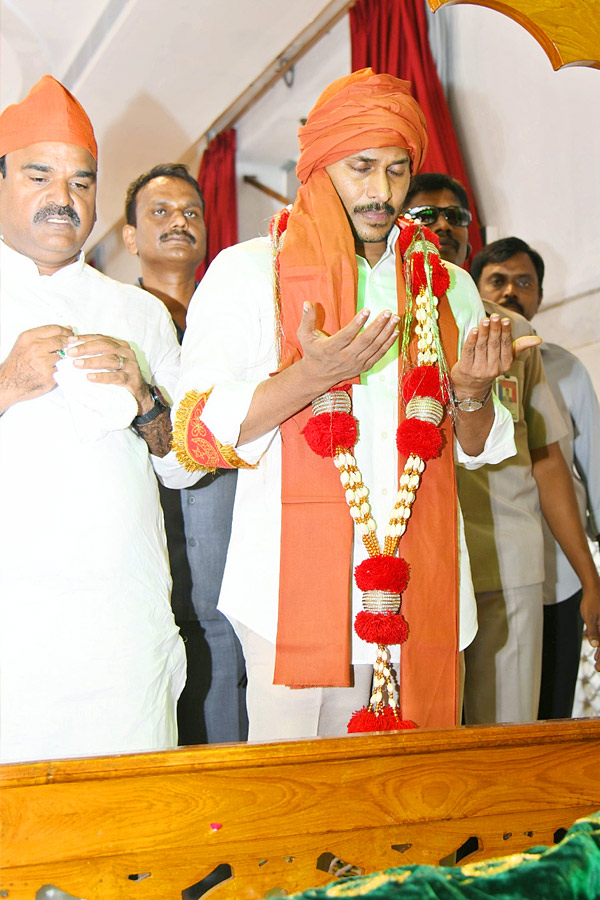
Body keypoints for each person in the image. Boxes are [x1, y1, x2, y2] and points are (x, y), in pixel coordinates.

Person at [161, 68, 534, 741]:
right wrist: (311, 376)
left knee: (413, 802)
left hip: (424, 590)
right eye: (361, 167)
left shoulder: (446, 286)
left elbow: (479, 446)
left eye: (397, 170)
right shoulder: (248, 272)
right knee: (301, 812)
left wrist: (473, 396)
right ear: (319, 165)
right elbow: (197, 434)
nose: (382, 192)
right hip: (290, 602)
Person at [0, 75, 186, 763]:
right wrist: (5, 384)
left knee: (133, 822)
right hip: (10, 630)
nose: (63, 198)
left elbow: (183, 465)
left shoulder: (138, 312)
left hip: (120, 628)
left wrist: (146, 400)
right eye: (39, 175)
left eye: (82, 182)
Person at [403, 174, 568, 724]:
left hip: (505, 553)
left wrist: (589, 579)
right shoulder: (382, 321)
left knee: (507, 729)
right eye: (427, 216)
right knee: (428, 731)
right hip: (420, 556)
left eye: (457, 217)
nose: (444, 227)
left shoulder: (512, 330)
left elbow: (546, 458)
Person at [122, 164, 247, 744]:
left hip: (230, 528)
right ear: (130, 237)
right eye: (160, 213)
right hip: (147, 531)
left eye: (191, 212)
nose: (179, 222)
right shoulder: (116, 320)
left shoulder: (233, 320)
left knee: (229, 661)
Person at [471, 237, 600, 716]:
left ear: (541, 293)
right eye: (498, 281)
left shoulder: (563, 367)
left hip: (553, 570)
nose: (510, 292)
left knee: (538, 721)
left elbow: (571, 467)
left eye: (523, 282)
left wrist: (592, 576)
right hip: (465, 566)